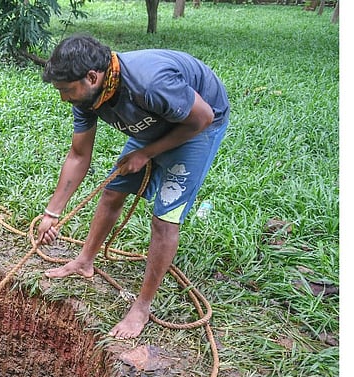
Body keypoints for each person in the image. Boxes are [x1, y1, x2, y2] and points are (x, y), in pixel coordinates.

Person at [36, 34, 229, 339]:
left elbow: (201, 117)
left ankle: (142, 306)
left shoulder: (149, 83)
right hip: (154, 120)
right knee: (113, 190)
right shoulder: (87, 94)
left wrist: (147, 153)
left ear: (91, 76)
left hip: (197, 124)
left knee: (164, 221)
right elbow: (78, 154)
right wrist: (52, 212)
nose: (64, 98)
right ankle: (84, 262)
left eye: (66, 90)